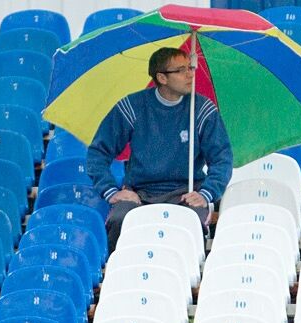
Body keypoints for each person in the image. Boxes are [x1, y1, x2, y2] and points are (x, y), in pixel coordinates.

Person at [87, 47, 233, 252]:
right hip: (139, 193)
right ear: (162, 78)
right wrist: (111, 191)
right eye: (181, 70)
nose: (190, 74)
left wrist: (206, 194)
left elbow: (222, 159)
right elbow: (98, 153)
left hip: (186, 194)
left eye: (190, 67)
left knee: (192, 222)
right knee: (119, 219)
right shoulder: (132, 106)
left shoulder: (202, 109)